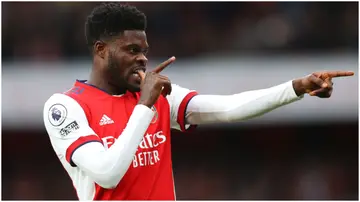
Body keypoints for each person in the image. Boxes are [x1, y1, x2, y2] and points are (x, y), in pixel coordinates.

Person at [43, 3, 354, 200]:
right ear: (101, 50)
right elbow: (107, 173)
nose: (142, 59)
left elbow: (229, 108)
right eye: (131, 50)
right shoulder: (66, 107)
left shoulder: (154, 95)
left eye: (144, 49)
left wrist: (296, 87)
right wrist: (145, 106)